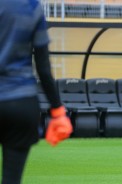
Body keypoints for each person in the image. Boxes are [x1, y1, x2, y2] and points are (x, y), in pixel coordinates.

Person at [0, 1, 73, 184]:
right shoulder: (31, 7)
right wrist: (57, 111)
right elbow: (44, 69)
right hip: (21, 102)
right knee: (11, 179)